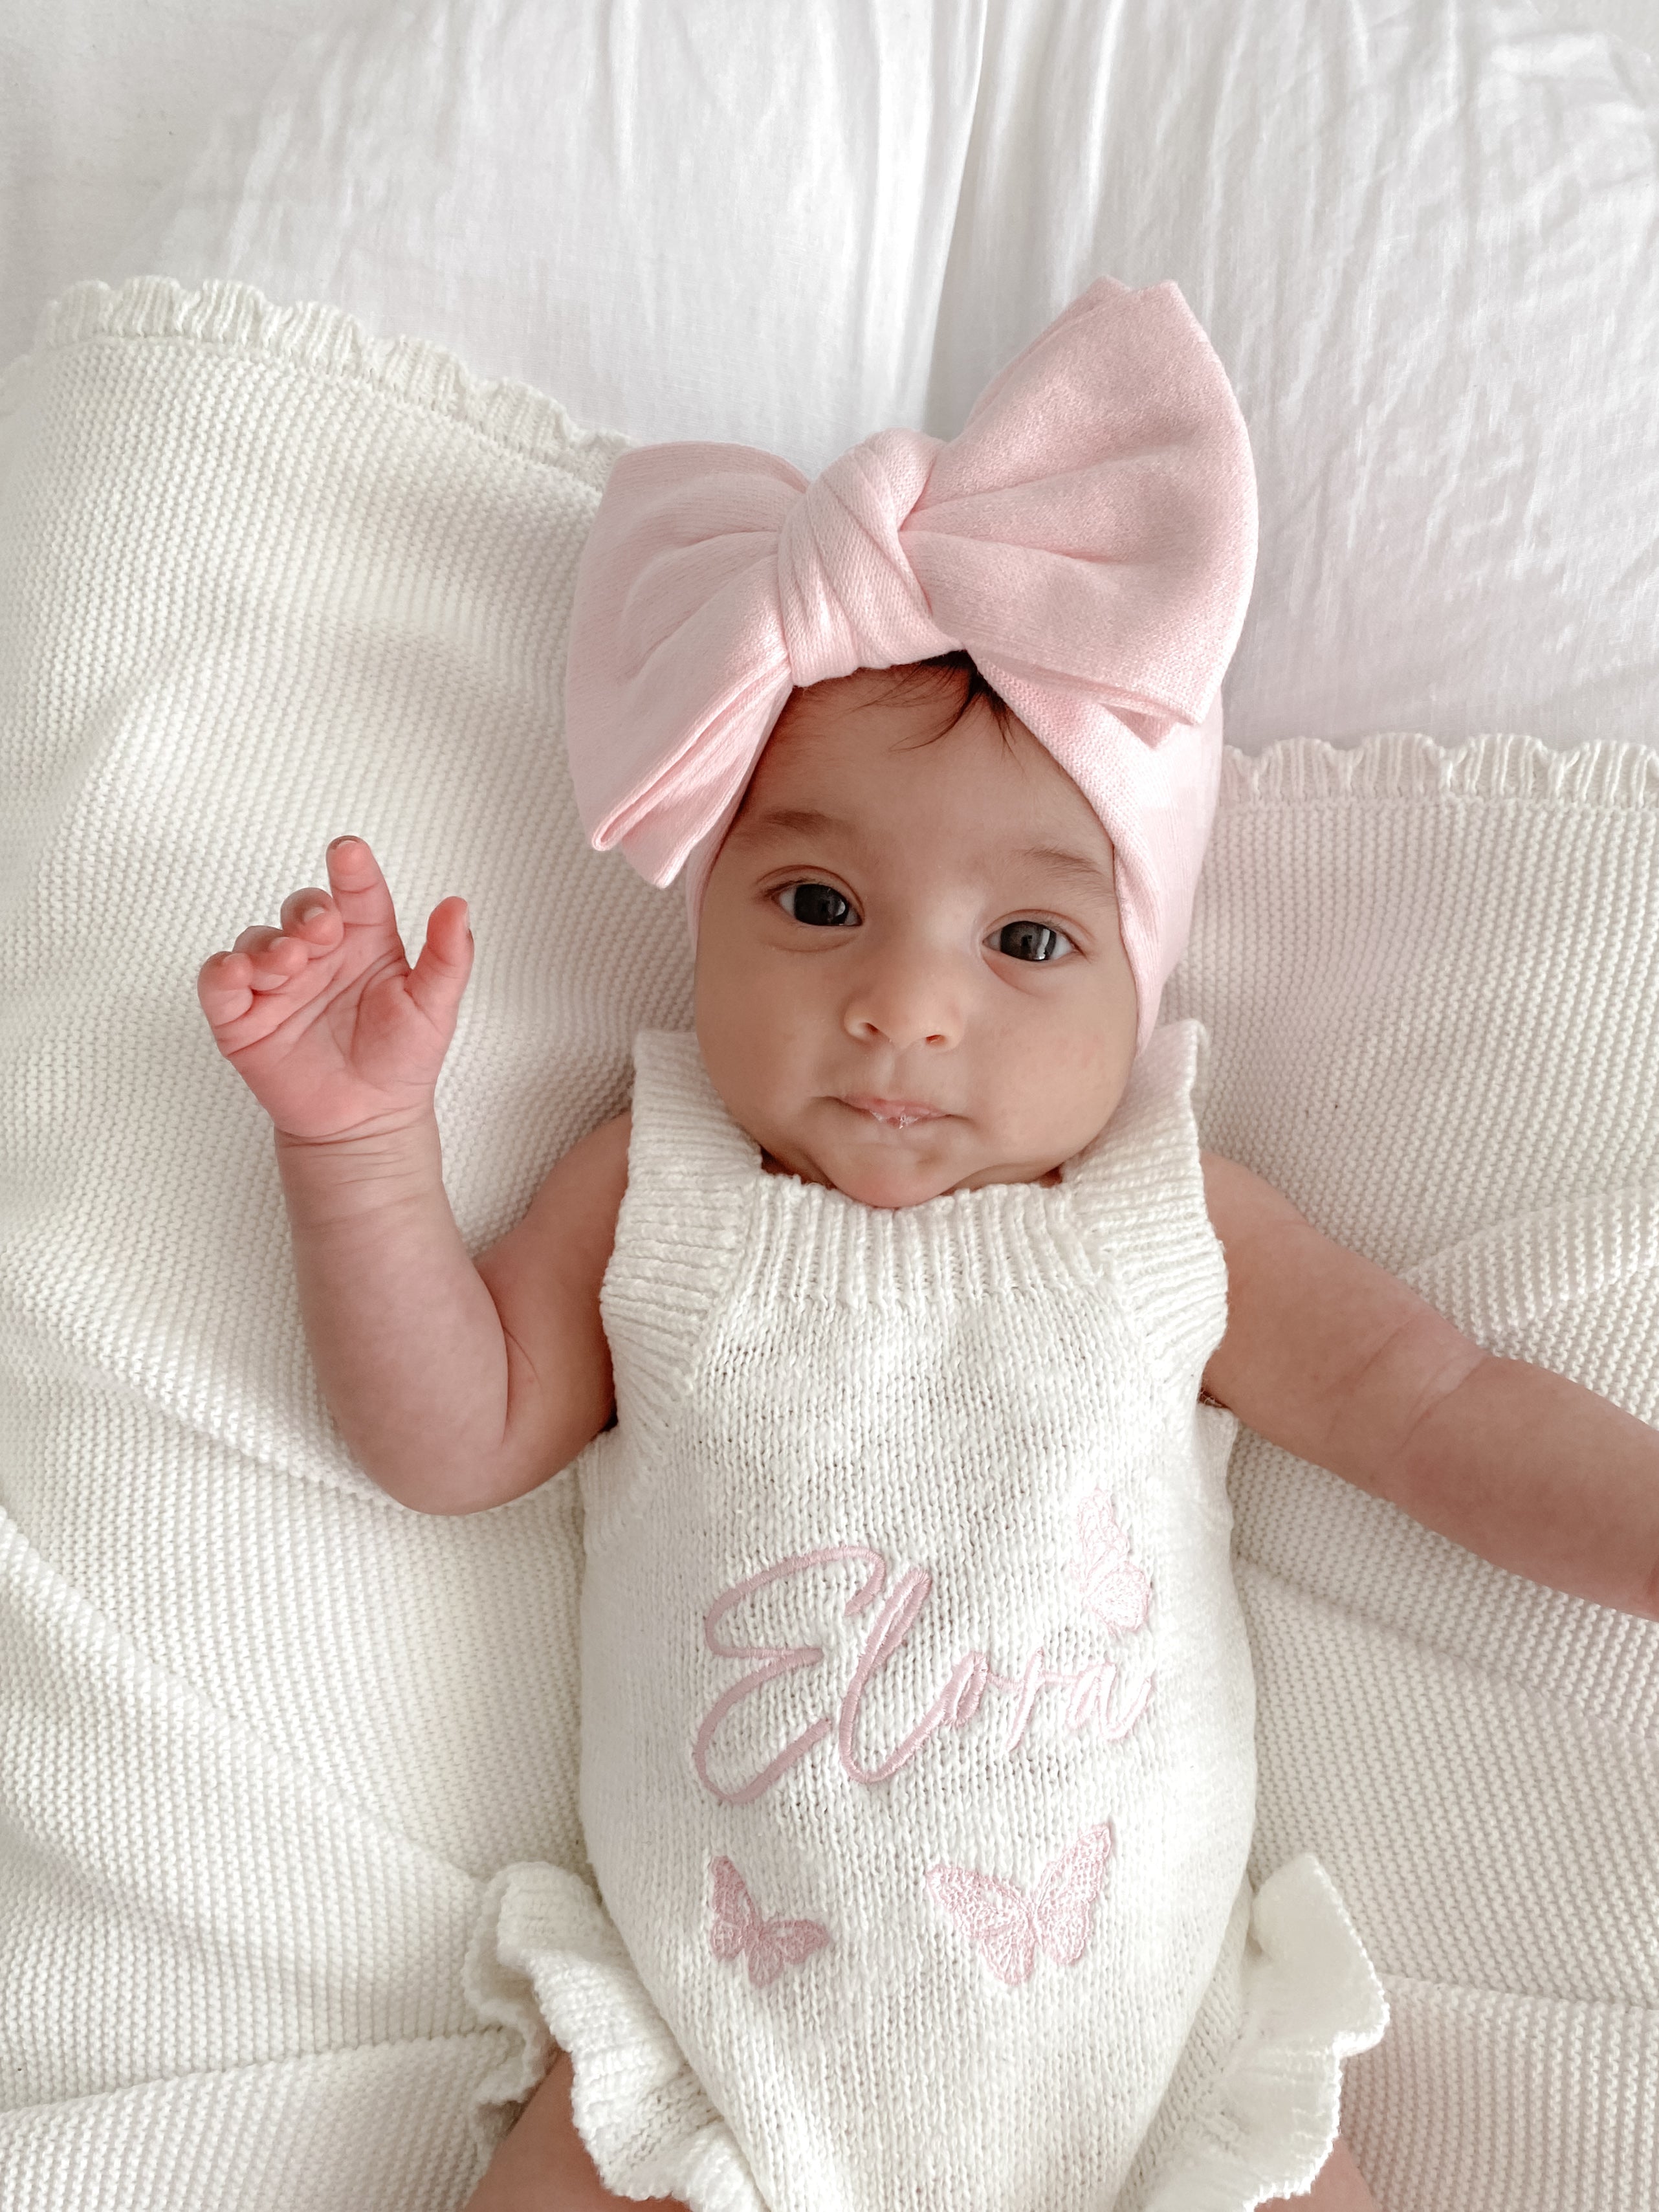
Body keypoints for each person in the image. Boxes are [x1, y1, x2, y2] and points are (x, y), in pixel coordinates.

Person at [197, 282, 1659, 2212]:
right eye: (815, 901)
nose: (901, 1005)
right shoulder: (663, 1190)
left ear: (1135, 979)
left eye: (1025, 942)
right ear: (703, 907)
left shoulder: (1161, 1215)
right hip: (719, 2067)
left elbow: (1429, 1406)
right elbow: (447, 1430)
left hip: (1136, 2075)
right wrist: (360, 1144)